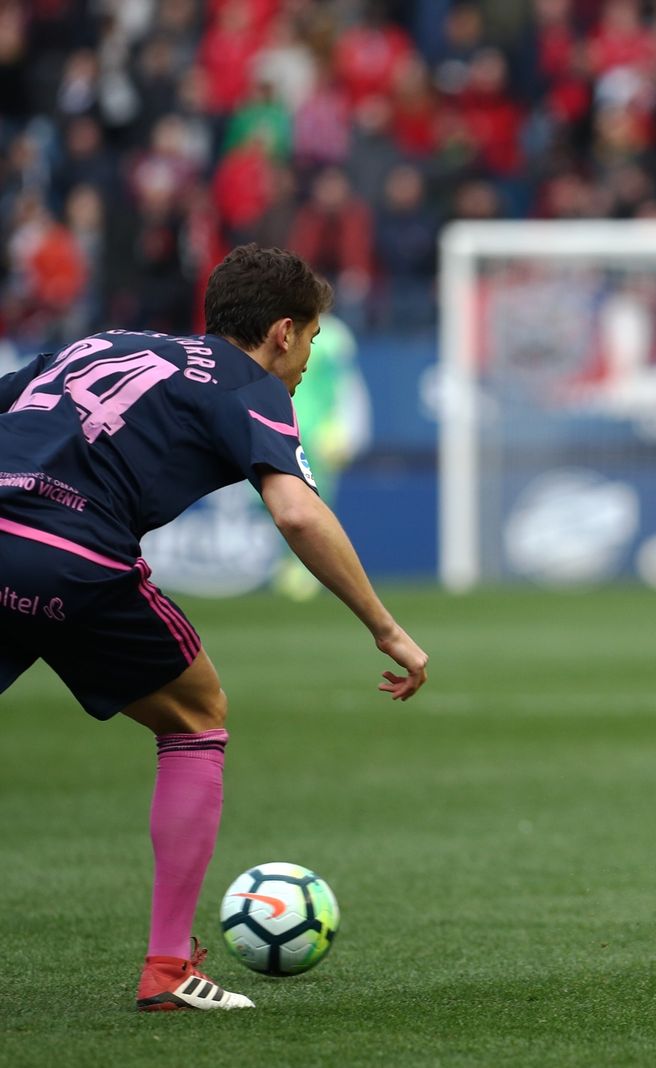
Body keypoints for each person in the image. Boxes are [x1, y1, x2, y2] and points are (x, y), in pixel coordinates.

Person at [0, 244, 429, 1012]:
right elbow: (297, 511)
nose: (304, 364)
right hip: (72, 555)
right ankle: (167, 969)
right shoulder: (252, 385)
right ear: (283, 333)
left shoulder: (101, 343)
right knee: (197, 717)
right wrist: (385, 627)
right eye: (312, 344)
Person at [273, 310, 371, 600]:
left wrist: (345, 427)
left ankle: (309, 569)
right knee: (275, 502)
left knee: (314, 504)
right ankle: (290, 562)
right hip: (279, 428)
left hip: (318, 436)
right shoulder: (280, 330)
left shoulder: (335, 336)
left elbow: (347, 385)